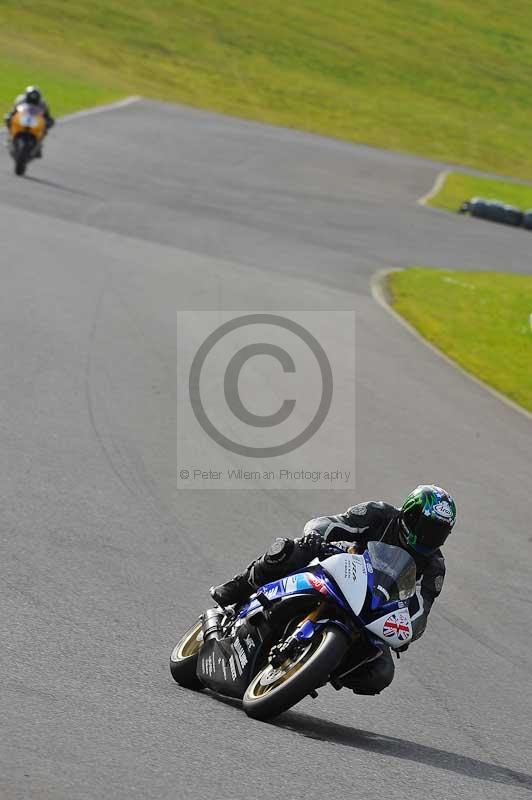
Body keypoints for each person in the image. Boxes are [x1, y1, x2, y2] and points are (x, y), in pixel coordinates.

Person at [211, 484, 456, 695]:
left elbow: (420, 612)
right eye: (427, 527)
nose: (430, 537)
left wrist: (406, 632)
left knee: (381, 672)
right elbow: (329, 524)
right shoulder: (379, 514)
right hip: (344, 571)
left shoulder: (435, 567)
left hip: (374, 611)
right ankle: (240, 587)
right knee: (289, 549)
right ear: (411, 515)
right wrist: (316, 537)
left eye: (439, 533)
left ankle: (317, 667)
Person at [4, 86, 55, 157]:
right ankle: (10, 137)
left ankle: (39, 145)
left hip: (35, 122)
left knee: (45, 129)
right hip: (22, 119)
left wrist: (49, 121)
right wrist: (10, 116)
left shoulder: (43, 104)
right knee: (9, 121)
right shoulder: (20, 100)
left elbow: (47, 116)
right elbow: (13, 111)